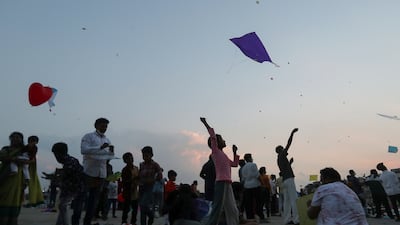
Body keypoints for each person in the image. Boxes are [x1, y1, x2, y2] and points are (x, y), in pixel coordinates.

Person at [200, 117, 240, 225]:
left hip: (227, 183)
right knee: (217, 207)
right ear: (217, 143)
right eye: (222, 139)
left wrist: (235, 152)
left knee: (232, 208)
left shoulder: (224, 155)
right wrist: (205, 123)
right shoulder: (216, 152)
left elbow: (235, 164)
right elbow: (212, 136)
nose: (224, 140)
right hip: (221, 182)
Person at [80, 117, 114, 225]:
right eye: (102, 125)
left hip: (101, 174)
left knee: (94, 201)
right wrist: (99, 147)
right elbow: (83, 150)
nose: (104, 128)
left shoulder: (107, 140)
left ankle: (87, 221)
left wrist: (111, 153)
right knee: (82, 198)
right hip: (89, 172)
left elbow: (108, 157)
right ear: (96, 125)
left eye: (106, 126)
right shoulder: (88, 136)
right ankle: (76, 219)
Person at [51, 142, 85, 225]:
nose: (55, 157)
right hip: (73, 189)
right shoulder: (70, 161)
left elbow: (65, 176)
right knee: (62, 206)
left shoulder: (69, 162)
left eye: (55, 155)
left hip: (74, 189)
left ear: (59, 154)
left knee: (63, 206)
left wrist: (54, 178)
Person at [0, 132, 27, 225]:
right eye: (13, 137)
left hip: (18, 184)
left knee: (14, 215)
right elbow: (1, 157)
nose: (15, 139)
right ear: (10, 139)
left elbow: (29, 162)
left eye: (18, 137)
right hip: (6, 181)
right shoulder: (6, 149)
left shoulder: (24, 151)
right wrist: (15, 159)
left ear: (21, 140)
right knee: (3, 214)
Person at [275, 128, 299, 225]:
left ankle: (287, 220)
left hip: (285, 180)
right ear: (280, 150)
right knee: (294, 199)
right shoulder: (282, 154)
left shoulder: (279, 158)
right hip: (289, 179)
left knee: (287, 202)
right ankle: (297, 220)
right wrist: (292, 133)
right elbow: (289, 144)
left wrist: (290, 163)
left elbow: (284, 168)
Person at [139, 146, 163, 225]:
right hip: (142, 187)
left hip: (150, 188)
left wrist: (153, 179)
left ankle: (151, 216)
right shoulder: (141, 165)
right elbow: (139, 176)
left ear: (151, 155)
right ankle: (149, 217)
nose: (145, 157)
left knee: (143, 206)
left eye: (146, 155)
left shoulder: (155, 165)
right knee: (142, 207)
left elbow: (160, 176)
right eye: (143, 155)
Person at [241, 153, 265, 222]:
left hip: (247, 187)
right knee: (258, 202)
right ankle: (260, 216)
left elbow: (243, 179)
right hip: (255, 186)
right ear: (249, 158)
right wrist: (262, 184)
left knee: (249, 203)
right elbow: (257, 176)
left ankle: (250, 217)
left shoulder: (244, 168)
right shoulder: (253, 165)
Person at [25, 135, 45, 207]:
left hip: (30, 165)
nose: (33, 143)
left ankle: (33, 201)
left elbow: (32, 157)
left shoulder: (34, 148)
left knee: (32, 182)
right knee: (32, 182)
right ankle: (35, 200)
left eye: (34, 142)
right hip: (28, 164)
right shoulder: (26, 147)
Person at [121, 152, 140, 225]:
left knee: (135, 209)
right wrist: (133, 179)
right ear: (125, 161)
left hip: (135, 192)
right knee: (126, 209)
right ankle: (124, 221)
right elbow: (125, 182)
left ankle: (133, 222)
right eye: (128, 158)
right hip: (128, 192)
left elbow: (139, 179)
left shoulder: (136, 168)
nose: (131, 159)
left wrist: (137, 180)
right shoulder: (124, 170)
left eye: (131, 157)